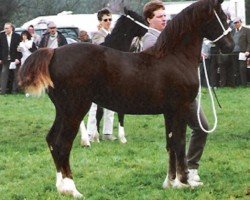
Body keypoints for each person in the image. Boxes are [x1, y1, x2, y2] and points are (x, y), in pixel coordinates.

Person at [142, 0, 208, 185]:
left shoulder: (169, 35)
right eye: (159, 16)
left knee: (194, 128)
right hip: (173, 93)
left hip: (183, 90)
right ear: (149, 20)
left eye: (165, 15)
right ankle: (189, 169)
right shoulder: (149, 39)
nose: (164, 19)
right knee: (200, 127)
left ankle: (183, 170)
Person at [86, 8, 116, 141]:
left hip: (112, 72)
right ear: (100, 21)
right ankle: (91, 132)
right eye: (105, 20)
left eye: (110, 19)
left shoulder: (113, 34)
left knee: (112, 103)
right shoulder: (97, 34)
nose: (108, 22)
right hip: (99, 73)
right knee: (94, 104)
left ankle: (108, 132)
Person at [0, 22, 22, 94]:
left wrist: (18, 58)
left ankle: (14, 91)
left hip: (15, 59)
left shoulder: (17, 36)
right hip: (5, 59)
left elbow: (20, 49)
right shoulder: (1, 36)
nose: (5, 30)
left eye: (7, 28)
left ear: (11, 28)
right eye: (4, 28)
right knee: (3, 74)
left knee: (16, 75)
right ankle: (2, 91)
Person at [230, 17, 250, 86]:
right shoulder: (232, 31)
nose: (236, 24)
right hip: (233, 52)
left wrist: (248, 51)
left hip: (242, 52)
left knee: (242, 68)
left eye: (237, 22)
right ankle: (238, 83)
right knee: (235, 68)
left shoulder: (247, 30)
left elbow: (249, 42)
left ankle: (244, 84)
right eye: (234, 23)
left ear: (241, 22)